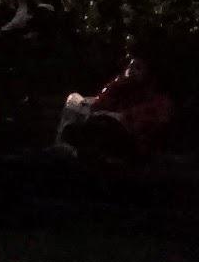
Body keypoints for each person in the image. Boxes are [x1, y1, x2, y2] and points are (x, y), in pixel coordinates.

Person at [55, 44, 172, 174]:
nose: (131, 70)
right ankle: (65, 145)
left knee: (99, 129)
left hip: (127, 144)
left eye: (137, 68)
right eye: (130, 66)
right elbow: (98, 104)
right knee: (75, 101)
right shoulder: (121, 87)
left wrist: (114, 116)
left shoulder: (157, 99)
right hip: (104, 127)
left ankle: (74, 147)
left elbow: (136, 122)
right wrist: (118, 85)